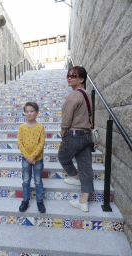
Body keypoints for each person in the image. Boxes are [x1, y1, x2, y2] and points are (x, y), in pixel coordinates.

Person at [58, 66, 94, 212]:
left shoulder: (73, 95)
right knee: (86, 166)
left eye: (74, 76)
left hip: (74, 135)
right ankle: (84, 201)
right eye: (68, 75)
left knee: (63, 157)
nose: (69, 78)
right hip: (86, 135)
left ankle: (76, 177)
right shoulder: (86, 94)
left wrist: (63, 129)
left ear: (82, 79)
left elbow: (67, 116)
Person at [18, 102, 46, 213]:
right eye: (27, 111)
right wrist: (27, 157)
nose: (29, 113)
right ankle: (25, 200)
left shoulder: (40, 127)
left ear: (37, 113)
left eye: (32, 111)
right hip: (26, 159)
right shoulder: (22, 127)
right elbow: (20, 143)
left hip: (37, 159)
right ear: (24, 113)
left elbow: (42, 143)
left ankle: (39, 200)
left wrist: (33, 156)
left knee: (38, 181)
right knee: (26, 180)